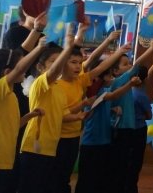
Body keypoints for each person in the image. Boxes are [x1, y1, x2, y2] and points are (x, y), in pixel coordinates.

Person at [53, 26, 126, 193]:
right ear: (62, 63)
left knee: (65, 177)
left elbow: (100, 67)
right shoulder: (56, 84)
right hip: (58, 138)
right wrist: (82, 109)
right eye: (73, 62)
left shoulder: (79, 80)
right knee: (55, 177)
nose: (78, 67)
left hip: (73, 137)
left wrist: (118, 52)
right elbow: (59, 116)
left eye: (79, 63)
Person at [19, 33, 86, 193]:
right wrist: (68, 48)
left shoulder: (58, 88)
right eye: (53, 61)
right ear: (40, 67)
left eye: (60, 60)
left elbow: (63, 115)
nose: (58, 65)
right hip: (34, 147)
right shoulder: (40, 83)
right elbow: (54, 72)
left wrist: (79, 116)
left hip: (51, 147)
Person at [75, 68, 141, 193]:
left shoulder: (103, 92)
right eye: (110, 76)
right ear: (102, 78)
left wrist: (112, 109)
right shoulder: (97, 95)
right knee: (87, 181)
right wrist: (130, 84)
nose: (112, 79)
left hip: (104, 143)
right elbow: (114, 95)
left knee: (99, 180)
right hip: (92, 144)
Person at [110, 35, 153, 193]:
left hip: (125, 130)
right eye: (126, 64)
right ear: (115, 71)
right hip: (124, 131)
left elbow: (144, 71)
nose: (130, 66)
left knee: (123, 167)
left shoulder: (129, 86)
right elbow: (138, 64)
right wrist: (151, 49)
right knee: (128, 166)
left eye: (129, 64)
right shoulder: (121, 84)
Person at [0, 40, 46, 193]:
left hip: (7, 160)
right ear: (7, 72)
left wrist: (30, 115)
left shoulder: (11, 95)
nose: (25, 70)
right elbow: (19, 69)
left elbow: (13, 125)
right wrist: (39, 47)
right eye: (22, 65)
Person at [129, 55, 153, 193]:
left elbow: (148, 74)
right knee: (135, 162)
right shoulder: (141, 96)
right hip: (138, 131)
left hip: (127, 130)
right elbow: (149, 115)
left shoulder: (127, 90)